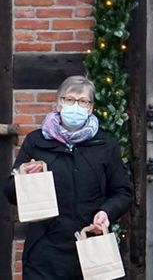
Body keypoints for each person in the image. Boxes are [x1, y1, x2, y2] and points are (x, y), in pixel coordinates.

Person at [4, 75, 133, 280]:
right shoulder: (36, 141)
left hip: (91, 245)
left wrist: (106, 212)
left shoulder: (105, 145)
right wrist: (23, 175)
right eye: (69, 99)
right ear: (58, 103)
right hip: (45, 251)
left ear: (90, 108)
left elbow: (122, 192)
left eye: (83, 101)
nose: (76, 106)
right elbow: (10, 192)